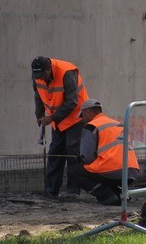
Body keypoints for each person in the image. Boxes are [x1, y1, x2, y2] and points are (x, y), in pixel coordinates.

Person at [32, 56, 90, 198]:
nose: (41, 78)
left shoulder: (67, 72)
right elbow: (38, 97)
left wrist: (51, 118)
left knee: (72, 153)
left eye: (43, 75)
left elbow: (72, 102)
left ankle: (73, 192)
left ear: (49, 69)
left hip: (75, 118)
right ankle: (51, 191)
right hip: (57, 120)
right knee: (55, 153)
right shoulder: (38, 76)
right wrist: (39, 116)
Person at [68, 99, 140, 205]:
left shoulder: (91, 126)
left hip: (113, 171)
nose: (82, 119)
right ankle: (120, 194)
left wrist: (80, 159)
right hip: (131, 171)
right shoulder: (116, 123)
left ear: (88, 112)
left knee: (74, 172)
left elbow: (87, 158)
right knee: (101, 171)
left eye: (82, 115)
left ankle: (107, 197)